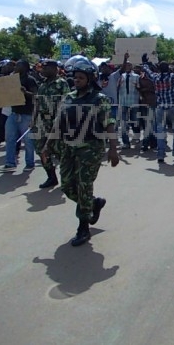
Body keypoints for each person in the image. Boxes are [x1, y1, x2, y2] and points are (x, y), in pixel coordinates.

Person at [43, 56, 119, 247]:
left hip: (91, 149)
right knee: (68, 186)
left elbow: (109, 123)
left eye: (81, 78)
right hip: (69, 147)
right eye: (75, 78)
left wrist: (113, 149)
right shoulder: (68, 98)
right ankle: (93, 204)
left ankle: (83, 227)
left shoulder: (99, 100)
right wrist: (47, 145)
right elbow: (58, 123)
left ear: (90, 79)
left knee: (84, 185)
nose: (77, 81)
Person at [141, 51, 174, 163]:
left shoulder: (155, 77)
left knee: (160, 131)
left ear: (159, 69)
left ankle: (160, 154)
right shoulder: (173, 77)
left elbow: (147, 70)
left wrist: (144, 62)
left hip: (160, 107)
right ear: (168, 68)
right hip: (173, 107)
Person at [31, 59, 70, 189]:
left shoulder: (61, 84)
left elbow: (65, 104)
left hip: (57, 123)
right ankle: (51, 177)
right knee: (40, 150)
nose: (43, 70)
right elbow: (37, 103)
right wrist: (33, 120)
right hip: (42, 123)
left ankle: (67, 178)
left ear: (55, 69)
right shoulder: (42, 85)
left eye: (46, 68)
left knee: (60, 152)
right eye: (42, 68)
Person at [1, 60, 38, 172]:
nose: (15, 66)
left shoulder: (30, 80)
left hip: (26, 114)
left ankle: (30, 163)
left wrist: (26, 92)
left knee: (28, 140)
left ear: (24, 67)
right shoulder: (13, 80)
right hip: (13, 113)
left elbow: (36, 96)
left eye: (18, 65)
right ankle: (10, 163)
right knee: (10, 138)